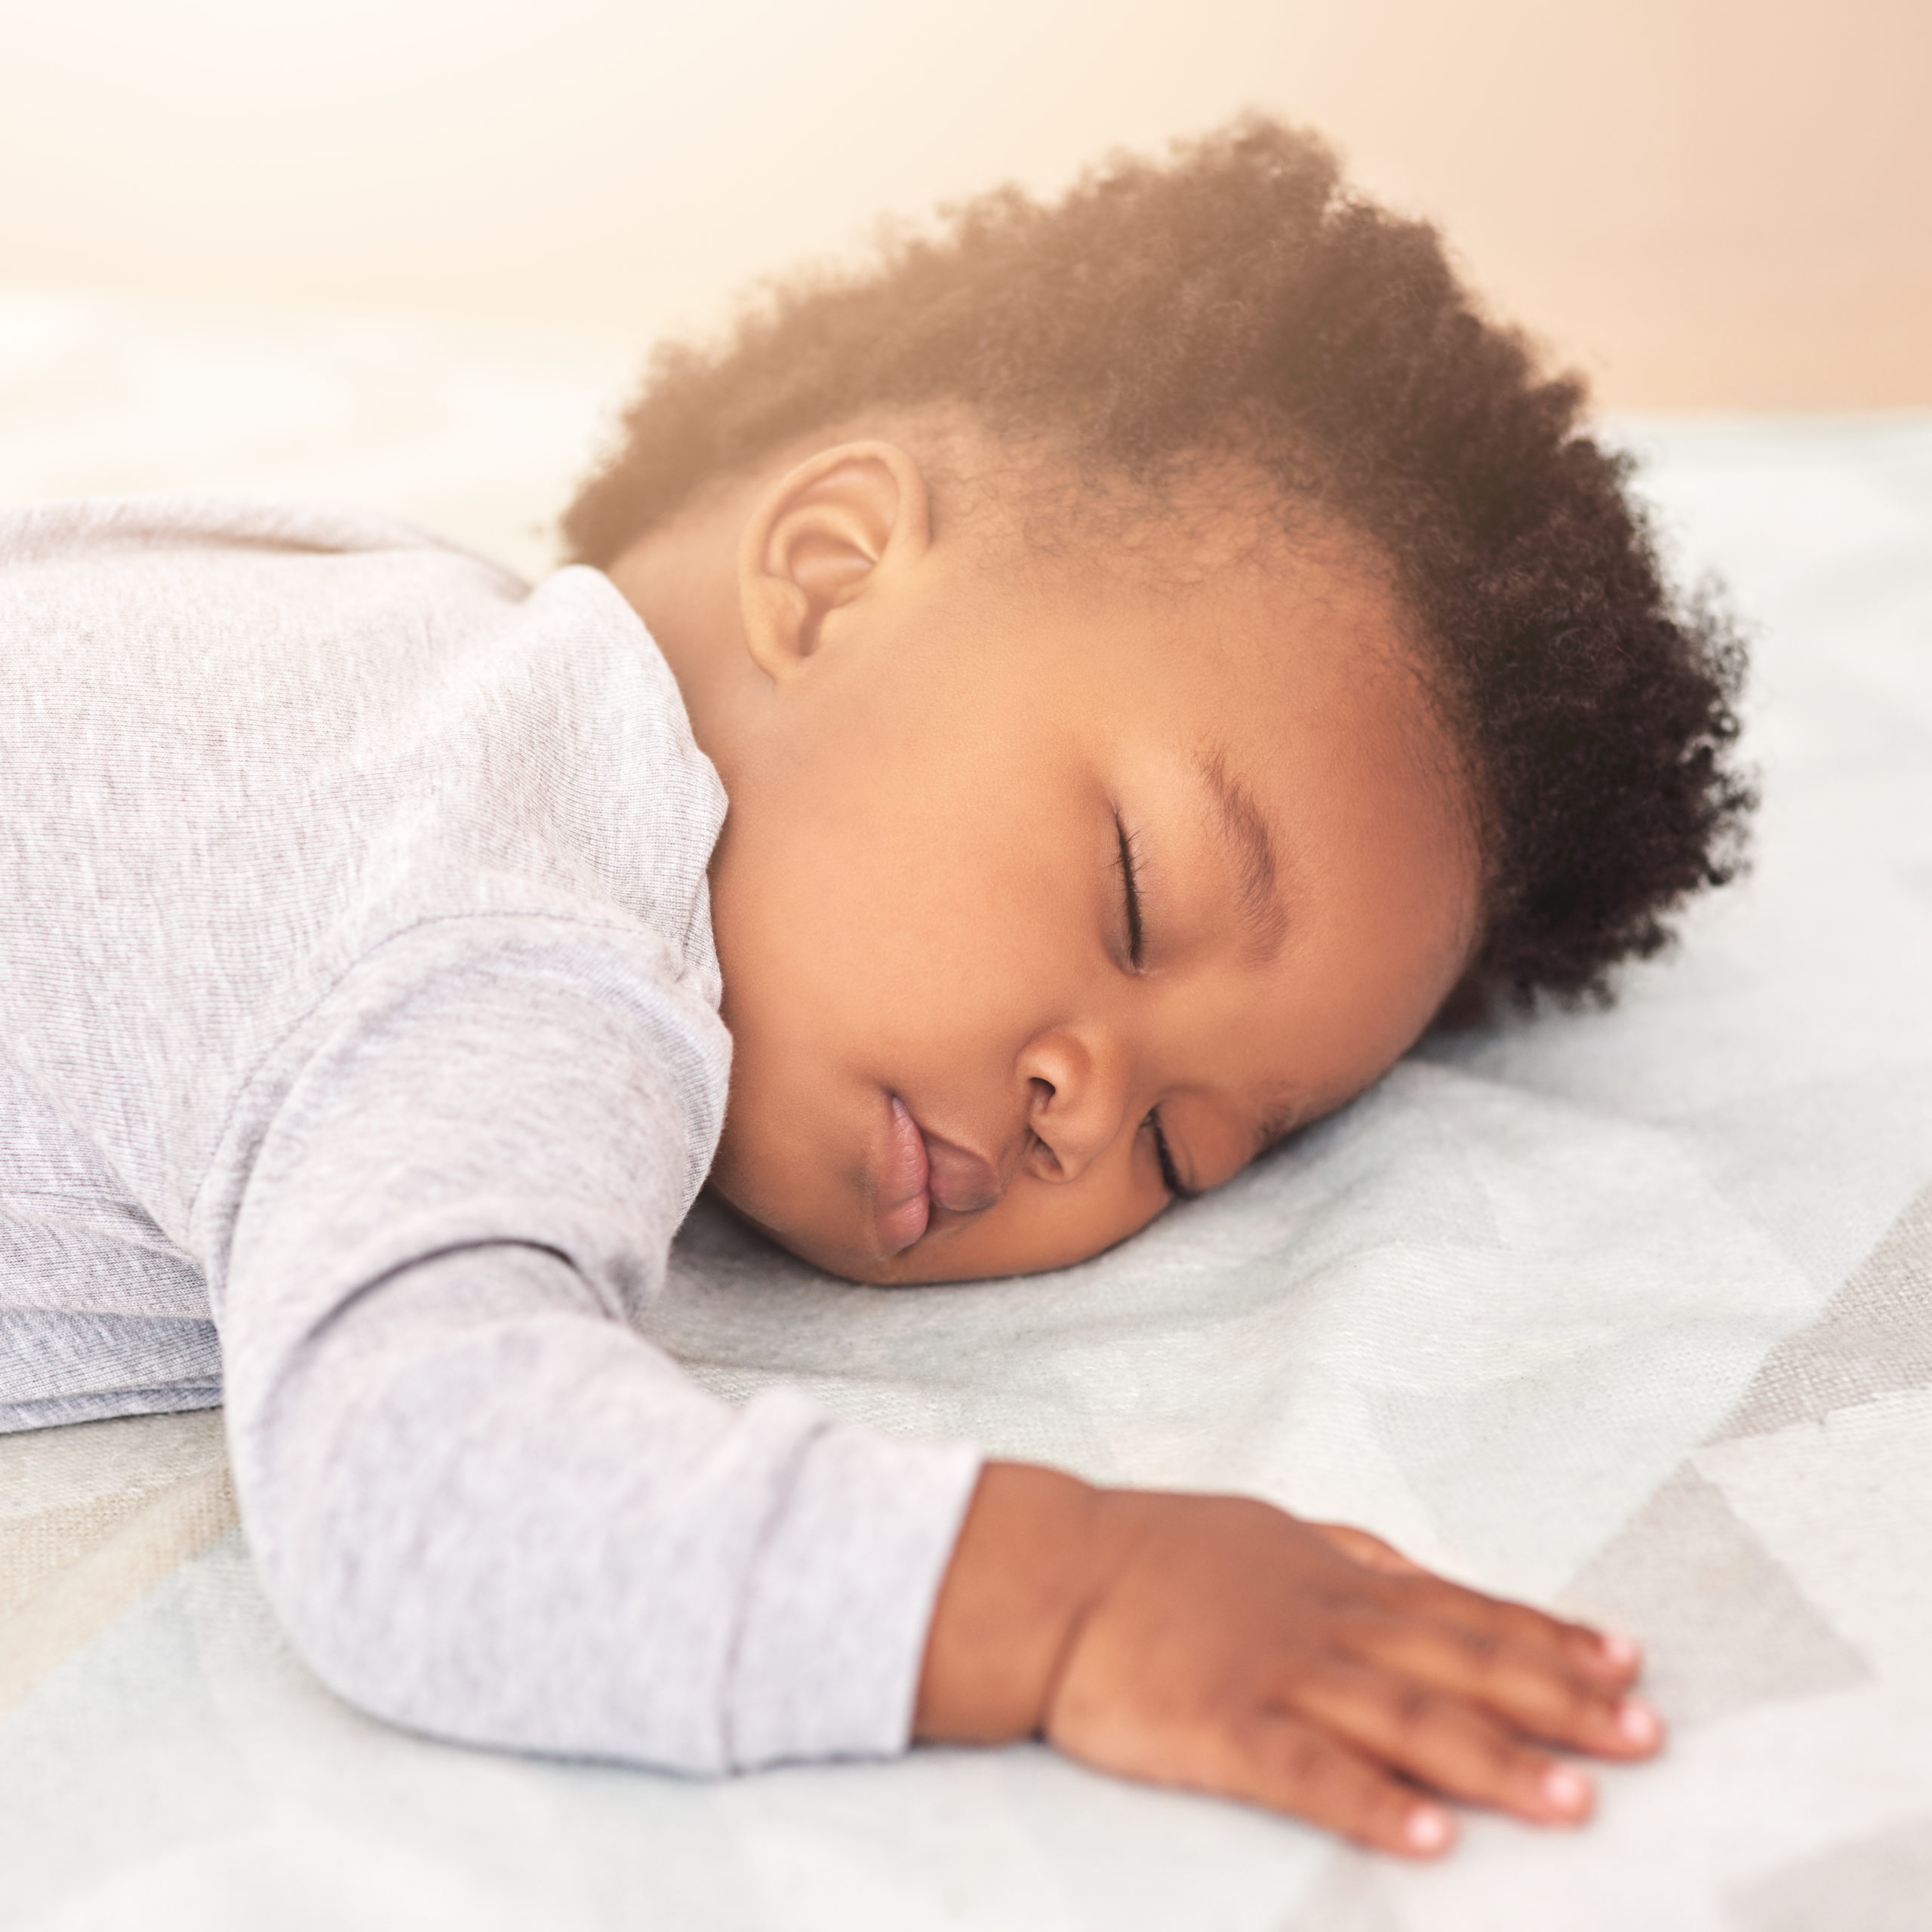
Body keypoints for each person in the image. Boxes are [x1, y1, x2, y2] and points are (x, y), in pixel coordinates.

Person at [0, 119, 1750, 1857]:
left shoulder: (361, 620)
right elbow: (422, 1485)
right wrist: (1073, 1595)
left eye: (1183, 1149)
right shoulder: (527, 919)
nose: (1085, 1107)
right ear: (828, 571)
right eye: (1135, 895)